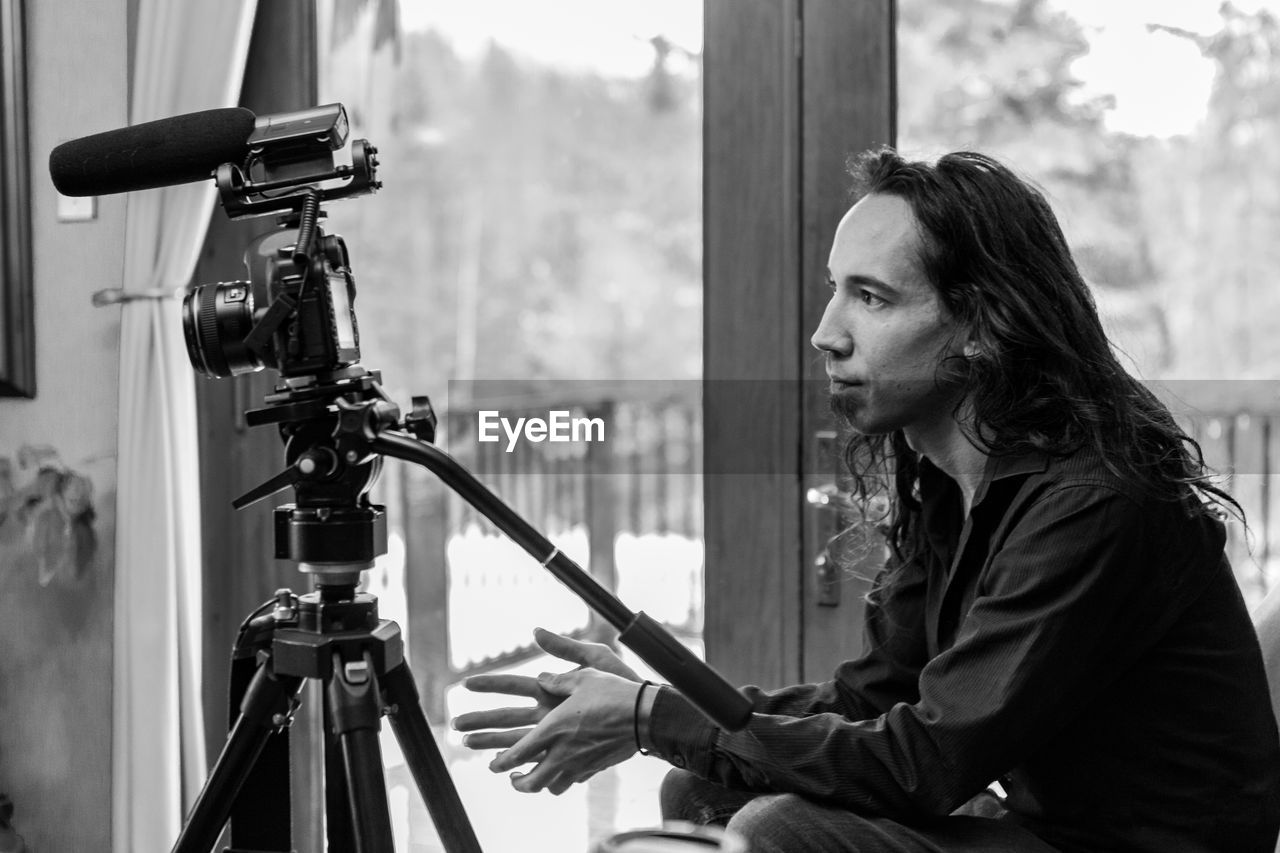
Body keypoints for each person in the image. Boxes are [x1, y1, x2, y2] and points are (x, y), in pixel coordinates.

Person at [451, 149, 1280, 852]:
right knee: (698, 795)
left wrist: (648, 714)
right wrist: (664, 708)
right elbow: (871, 704)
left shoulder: (1094, 499)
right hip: (1047, 825)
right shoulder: (953, 481)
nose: (826, 331)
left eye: (871, 297)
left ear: (982, 325)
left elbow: (923, 760)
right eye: (834, 288)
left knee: (782, 829)